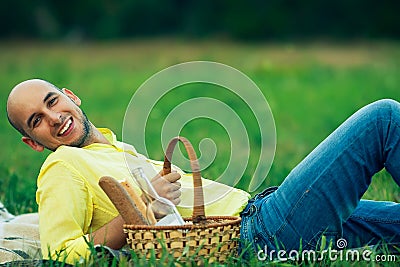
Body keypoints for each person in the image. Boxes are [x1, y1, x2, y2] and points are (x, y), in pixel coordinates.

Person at [6, 79, 400, 263]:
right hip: (257, 232)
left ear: (71, 96)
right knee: (383, 119)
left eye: (53, 101)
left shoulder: (109, 146)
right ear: (33, 142)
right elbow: (60, 253)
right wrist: (140, 209)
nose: (54, 117)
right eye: (36, 121)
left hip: (261, 212)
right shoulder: (62, 166)